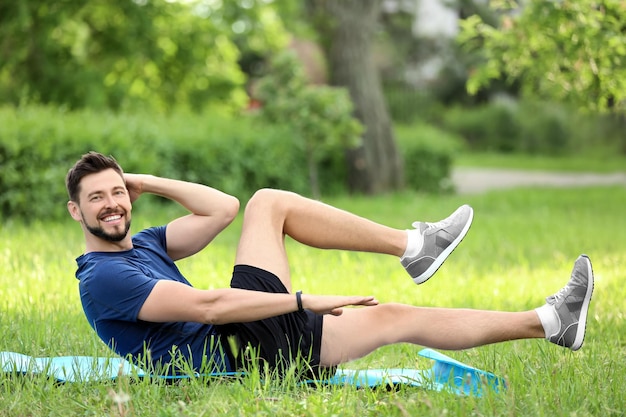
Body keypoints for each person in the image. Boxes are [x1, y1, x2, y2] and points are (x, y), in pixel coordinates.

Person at [66, 152, 594, 377]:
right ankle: (543, 318)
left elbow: (221, 208)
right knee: (394, 317)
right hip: (236, 355)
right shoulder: (106, 276)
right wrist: (302, 301)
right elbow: (208, 306)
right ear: (76, 211)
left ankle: (420, 250)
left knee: (266, 203)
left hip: (248, 338)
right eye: (97, 198)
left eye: (118, 193)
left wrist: (142, 181)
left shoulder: (144, 245)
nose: (113, 204)